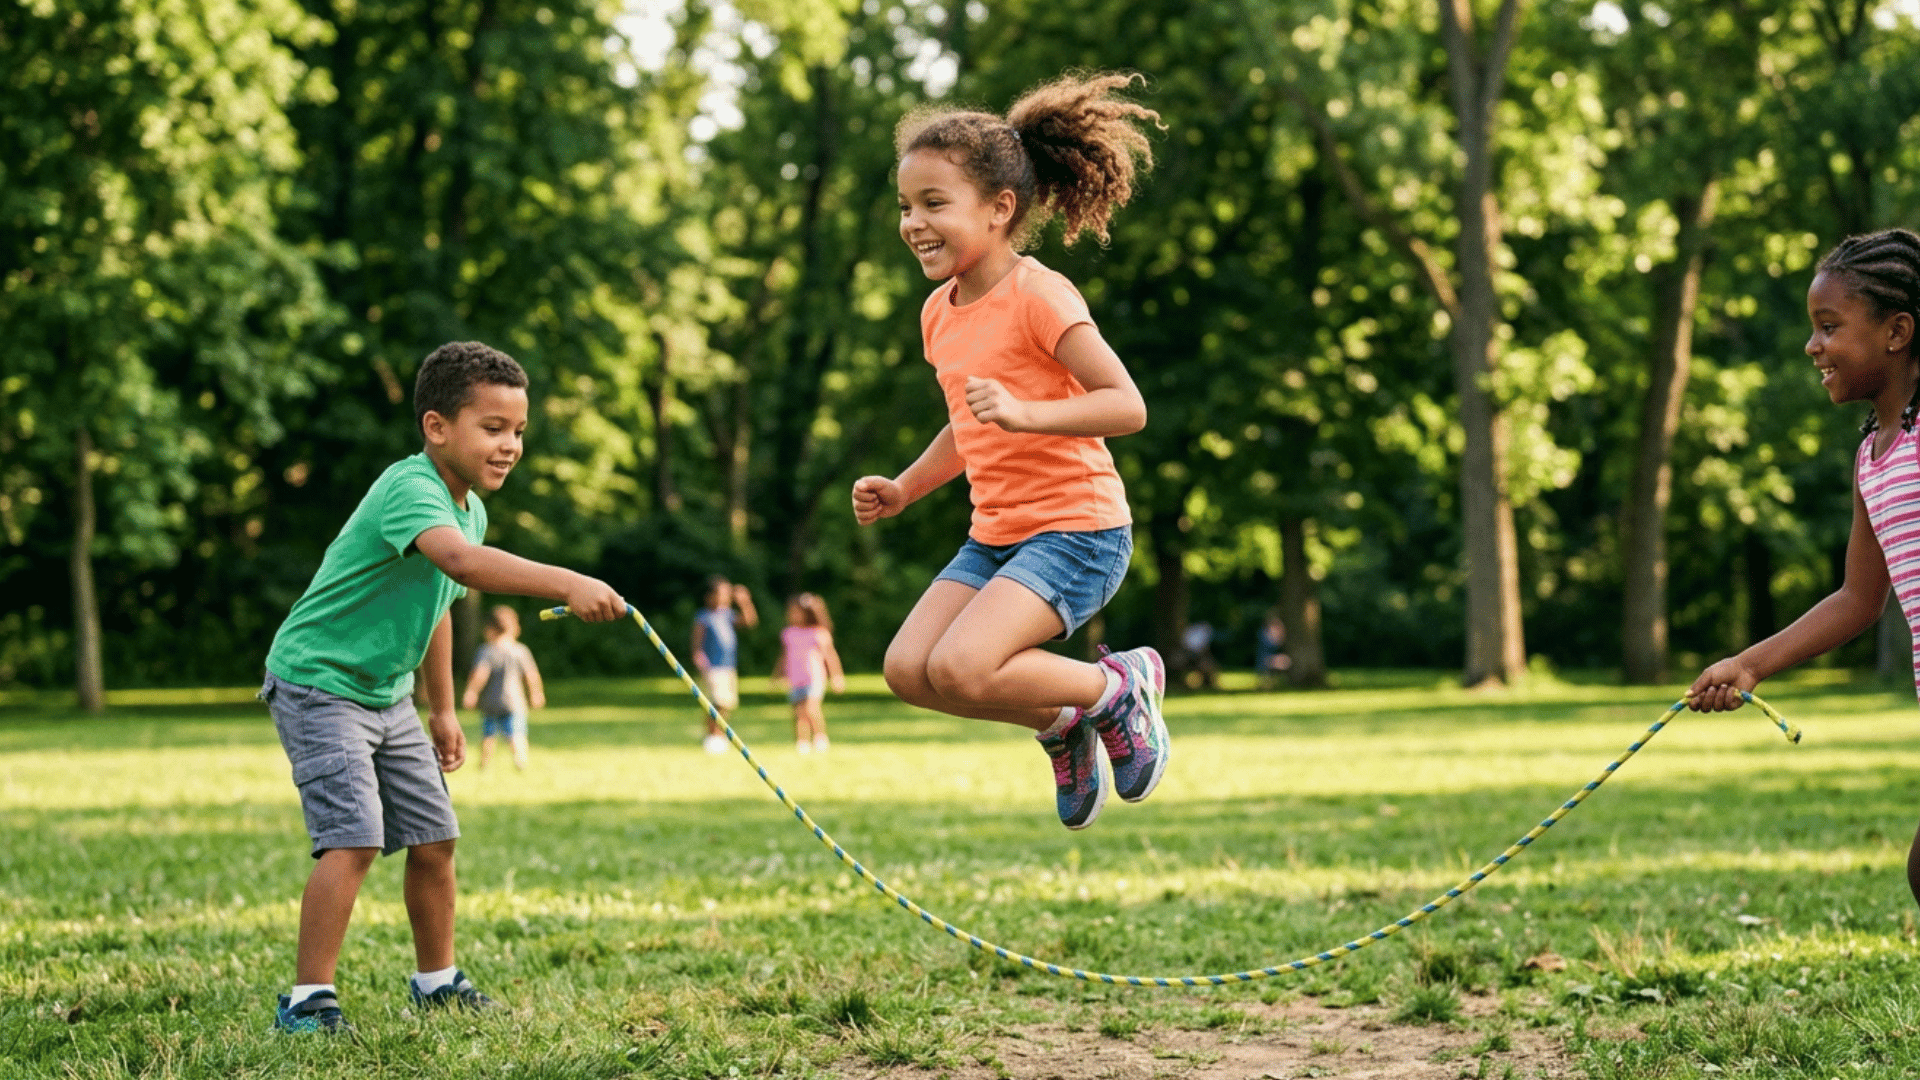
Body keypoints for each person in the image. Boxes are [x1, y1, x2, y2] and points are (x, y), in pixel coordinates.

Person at [260, 341, 627, 1034]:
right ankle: (308, 999)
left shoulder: (470, 510)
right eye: (493, 428)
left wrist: (444, 710)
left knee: (434, 837)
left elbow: (437, 610)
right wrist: (568, 581)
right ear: (437, 427)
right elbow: (462, 564)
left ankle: (436, 981)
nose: (511, 445)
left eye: (519, 430)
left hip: (387, 694)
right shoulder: (411, 489)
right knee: (355, 839)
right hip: (318, 684)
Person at [850, 72, 1168, 831]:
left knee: (962, 664)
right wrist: (905, 488)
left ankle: (1118, 689)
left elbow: (1127, 406)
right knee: (911, 671)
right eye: (906, 206)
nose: (914, 223)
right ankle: (1060, 722)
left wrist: (1027, 413)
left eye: (934, 204)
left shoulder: (1040, 294)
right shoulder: (940, 312)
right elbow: (967, 425)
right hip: (996, 535)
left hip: (1077, 531)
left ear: (999, 210)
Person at [1688, 228, 1920, 893]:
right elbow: (1857, 599)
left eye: (1829, 326)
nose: (1812, 346)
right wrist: (1749, 665)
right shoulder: (1873, 458)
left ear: (1896, 331)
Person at [461, 605, 544, 771]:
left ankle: (483, 764)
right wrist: (536, 693)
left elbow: (480, 674)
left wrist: (471, 692)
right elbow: (531, 675)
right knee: (517, 734)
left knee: (488, 735)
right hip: (515, 702)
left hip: (491, 702)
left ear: (489, 629)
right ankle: (520, 759)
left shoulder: (487, 651)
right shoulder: (520, 650)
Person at [692, 575, 760, 753]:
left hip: (728, 666)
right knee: (715, 703)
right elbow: (697, 642)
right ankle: (711, 736)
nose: (725, 597)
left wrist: (745, 601)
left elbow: (750, 622)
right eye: (721, 593)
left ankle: (719, 736)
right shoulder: (704, 616)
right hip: (712, 666)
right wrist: (699, 658)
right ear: (710, 596)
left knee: (727, 703)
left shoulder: (728, 615)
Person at [776, 593, 845, 753]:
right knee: (798, 712)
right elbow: (784, 657)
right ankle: (802, 742)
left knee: (811, 708)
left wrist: (836, 676)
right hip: (795, 678)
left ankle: (820, 737)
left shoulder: (818, 633)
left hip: (813, 678)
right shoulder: (789, 633)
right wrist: (778, 676)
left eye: (796, 612)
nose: (792, 615)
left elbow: (830, 656)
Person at [1255, 612, 1293, 690]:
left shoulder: (1270, 634)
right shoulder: (1264, 635)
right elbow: (1270, 647)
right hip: (1265, 660)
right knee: (1284, 661)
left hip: (1270, 659)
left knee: (1285, 661)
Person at [1179, 620, 1219, 691]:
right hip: (1190, 655)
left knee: (1207, 665)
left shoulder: (1204, 629)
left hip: (1198, 656)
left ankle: (1209, 684)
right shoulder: (1191, 630)